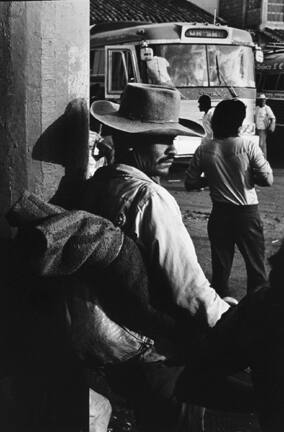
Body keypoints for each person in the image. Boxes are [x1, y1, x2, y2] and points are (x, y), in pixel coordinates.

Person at [78, 83, 284, 431]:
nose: (172, 147)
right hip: (159, 349)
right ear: (131, 141)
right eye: (161, 138)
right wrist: (231, 319)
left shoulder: (102, 183)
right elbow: (188, 290)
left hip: (120, 340)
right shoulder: (149, 197)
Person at [185, 98, 273, 298]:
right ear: (238, 122)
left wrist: (211, 180)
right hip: (246, 215)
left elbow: (190, 183)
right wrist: (249, 177)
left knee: (220, 272)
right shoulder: (248, 146)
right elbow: (267, 180)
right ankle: (254, 314)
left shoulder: (204, 149)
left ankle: (220, 316)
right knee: (256, 269)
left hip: (219, 214)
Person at [255, 93, 276, 159]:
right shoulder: (256, 108)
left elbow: (273, 118)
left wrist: (271, 126)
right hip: (256, 128)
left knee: (261, 144)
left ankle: (263, 160)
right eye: (261, 100)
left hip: (263, 129)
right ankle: (260, 160)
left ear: (265, 100)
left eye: (263, 100)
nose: (262, 101)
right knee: (258, 145)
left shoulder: (267, 108)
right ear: (259, 100)